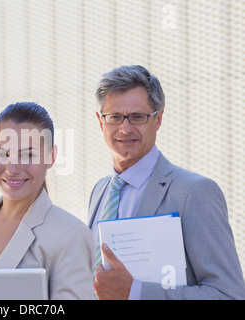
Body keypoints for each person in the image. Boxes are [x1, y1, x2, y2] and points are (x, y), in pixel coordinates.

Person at [88, 65, 245, 300]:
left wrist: (136, 293)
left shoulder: (194, 192)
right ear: (101, 122)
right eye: (115, 117)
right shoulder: (100, 190)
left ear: (158, 119)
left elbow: (229, 294)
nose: (125, 128)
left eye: (138, 117)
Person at [0, 102, 95, 300]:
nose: (12, 167)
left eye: (27, 154)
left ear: (51, 156)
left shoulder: (70, 236)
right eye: (2, 153)